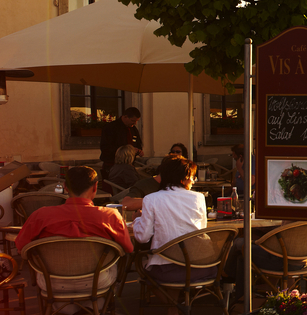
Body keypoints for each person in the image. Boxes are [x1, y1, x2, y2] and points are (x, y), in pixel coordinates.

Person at [16, 166, 133, 314]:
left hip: (53, 283)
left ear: (65, 187)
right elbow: (128, 248)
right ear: (95, 186)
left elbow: (21, 247)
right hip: (96, 282)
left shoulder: (41, 215)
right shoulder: (110, 216)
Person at [133, 156, 214, 288]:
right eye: (192, 177)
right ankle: (179, 304)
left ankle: (173, 306)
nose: (194, 181)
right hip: (199, 266)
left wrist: (137, 220)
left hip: (165, 268)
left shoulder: (151, 199)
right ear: (183, 178)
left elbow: (143, 237)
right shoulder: (198, 198)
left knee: (143, 267)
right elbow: (201, 230)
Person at [100, 107, 143, 176]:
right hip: (113, 164)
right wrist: (126, 151)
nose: (135, 123)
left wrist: (138, 150)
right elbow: (106, 147)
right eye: (133, 120)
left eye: (136, 121)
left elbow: (138, 143)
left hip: (129, 164)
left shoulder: (133, 129)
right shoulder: (110, 128)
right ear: (125, 117)